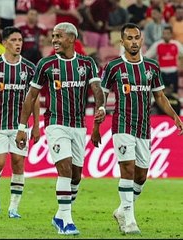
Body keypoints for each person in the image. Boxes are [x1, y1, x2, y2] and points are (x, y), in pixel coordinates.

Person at [15, 22, 105, 235]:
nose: (54, 40)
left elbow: (97, 89)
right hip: (56, 124)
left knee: (75, 176)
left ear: (72, 39)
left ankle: (59, 216)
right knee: (64, 169)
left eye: (58, 36)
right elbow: (31, 97)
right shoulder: (46, 64)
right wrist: (22, 127)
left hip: (78, 126)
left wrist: (100, 106)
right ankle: (68, 221)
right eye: (52, 36)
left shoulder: (87, 63)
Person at [94, 23, 183, 235]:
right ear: (122, 42)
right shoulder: (114, 66)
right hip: (122, 124)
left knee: (141, 176)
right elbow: (102, 93)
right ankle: (130, 220)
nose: (134, 42)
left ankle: (121, 211)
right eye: (129, 38)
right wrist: (98, 118)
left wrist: (174, 116)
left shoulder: (151, 66)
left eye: (136, 38)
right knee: (128, 170)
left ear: (141, 41)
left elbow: (159, 96)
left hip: (144, 127)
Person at [0, 26, 40, 219]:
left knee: (18, 163)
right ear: (4, 43)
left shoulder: (30, 68)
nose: (18, 44)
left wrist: (36, 125)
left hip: (20, 126)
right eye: (13, 40)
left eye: (20, 40)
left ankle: (14, 207)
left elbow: (35, 98)